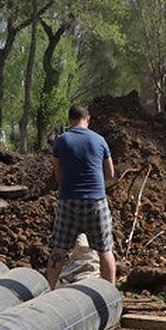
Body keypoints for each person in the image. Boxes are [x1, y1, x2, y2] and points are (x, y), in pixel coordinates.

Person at [46, 104, 116, 286]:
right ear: (88, 119)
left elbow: (58, 175)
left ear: (70, 120)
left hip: (68, 201)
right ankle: (111, 295)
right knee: (105, 250)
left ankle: (47, 290)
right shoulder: (99, 140)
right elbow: (110, 174)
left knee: (59, 250)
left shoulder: (62, 140)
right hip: (96, 202)